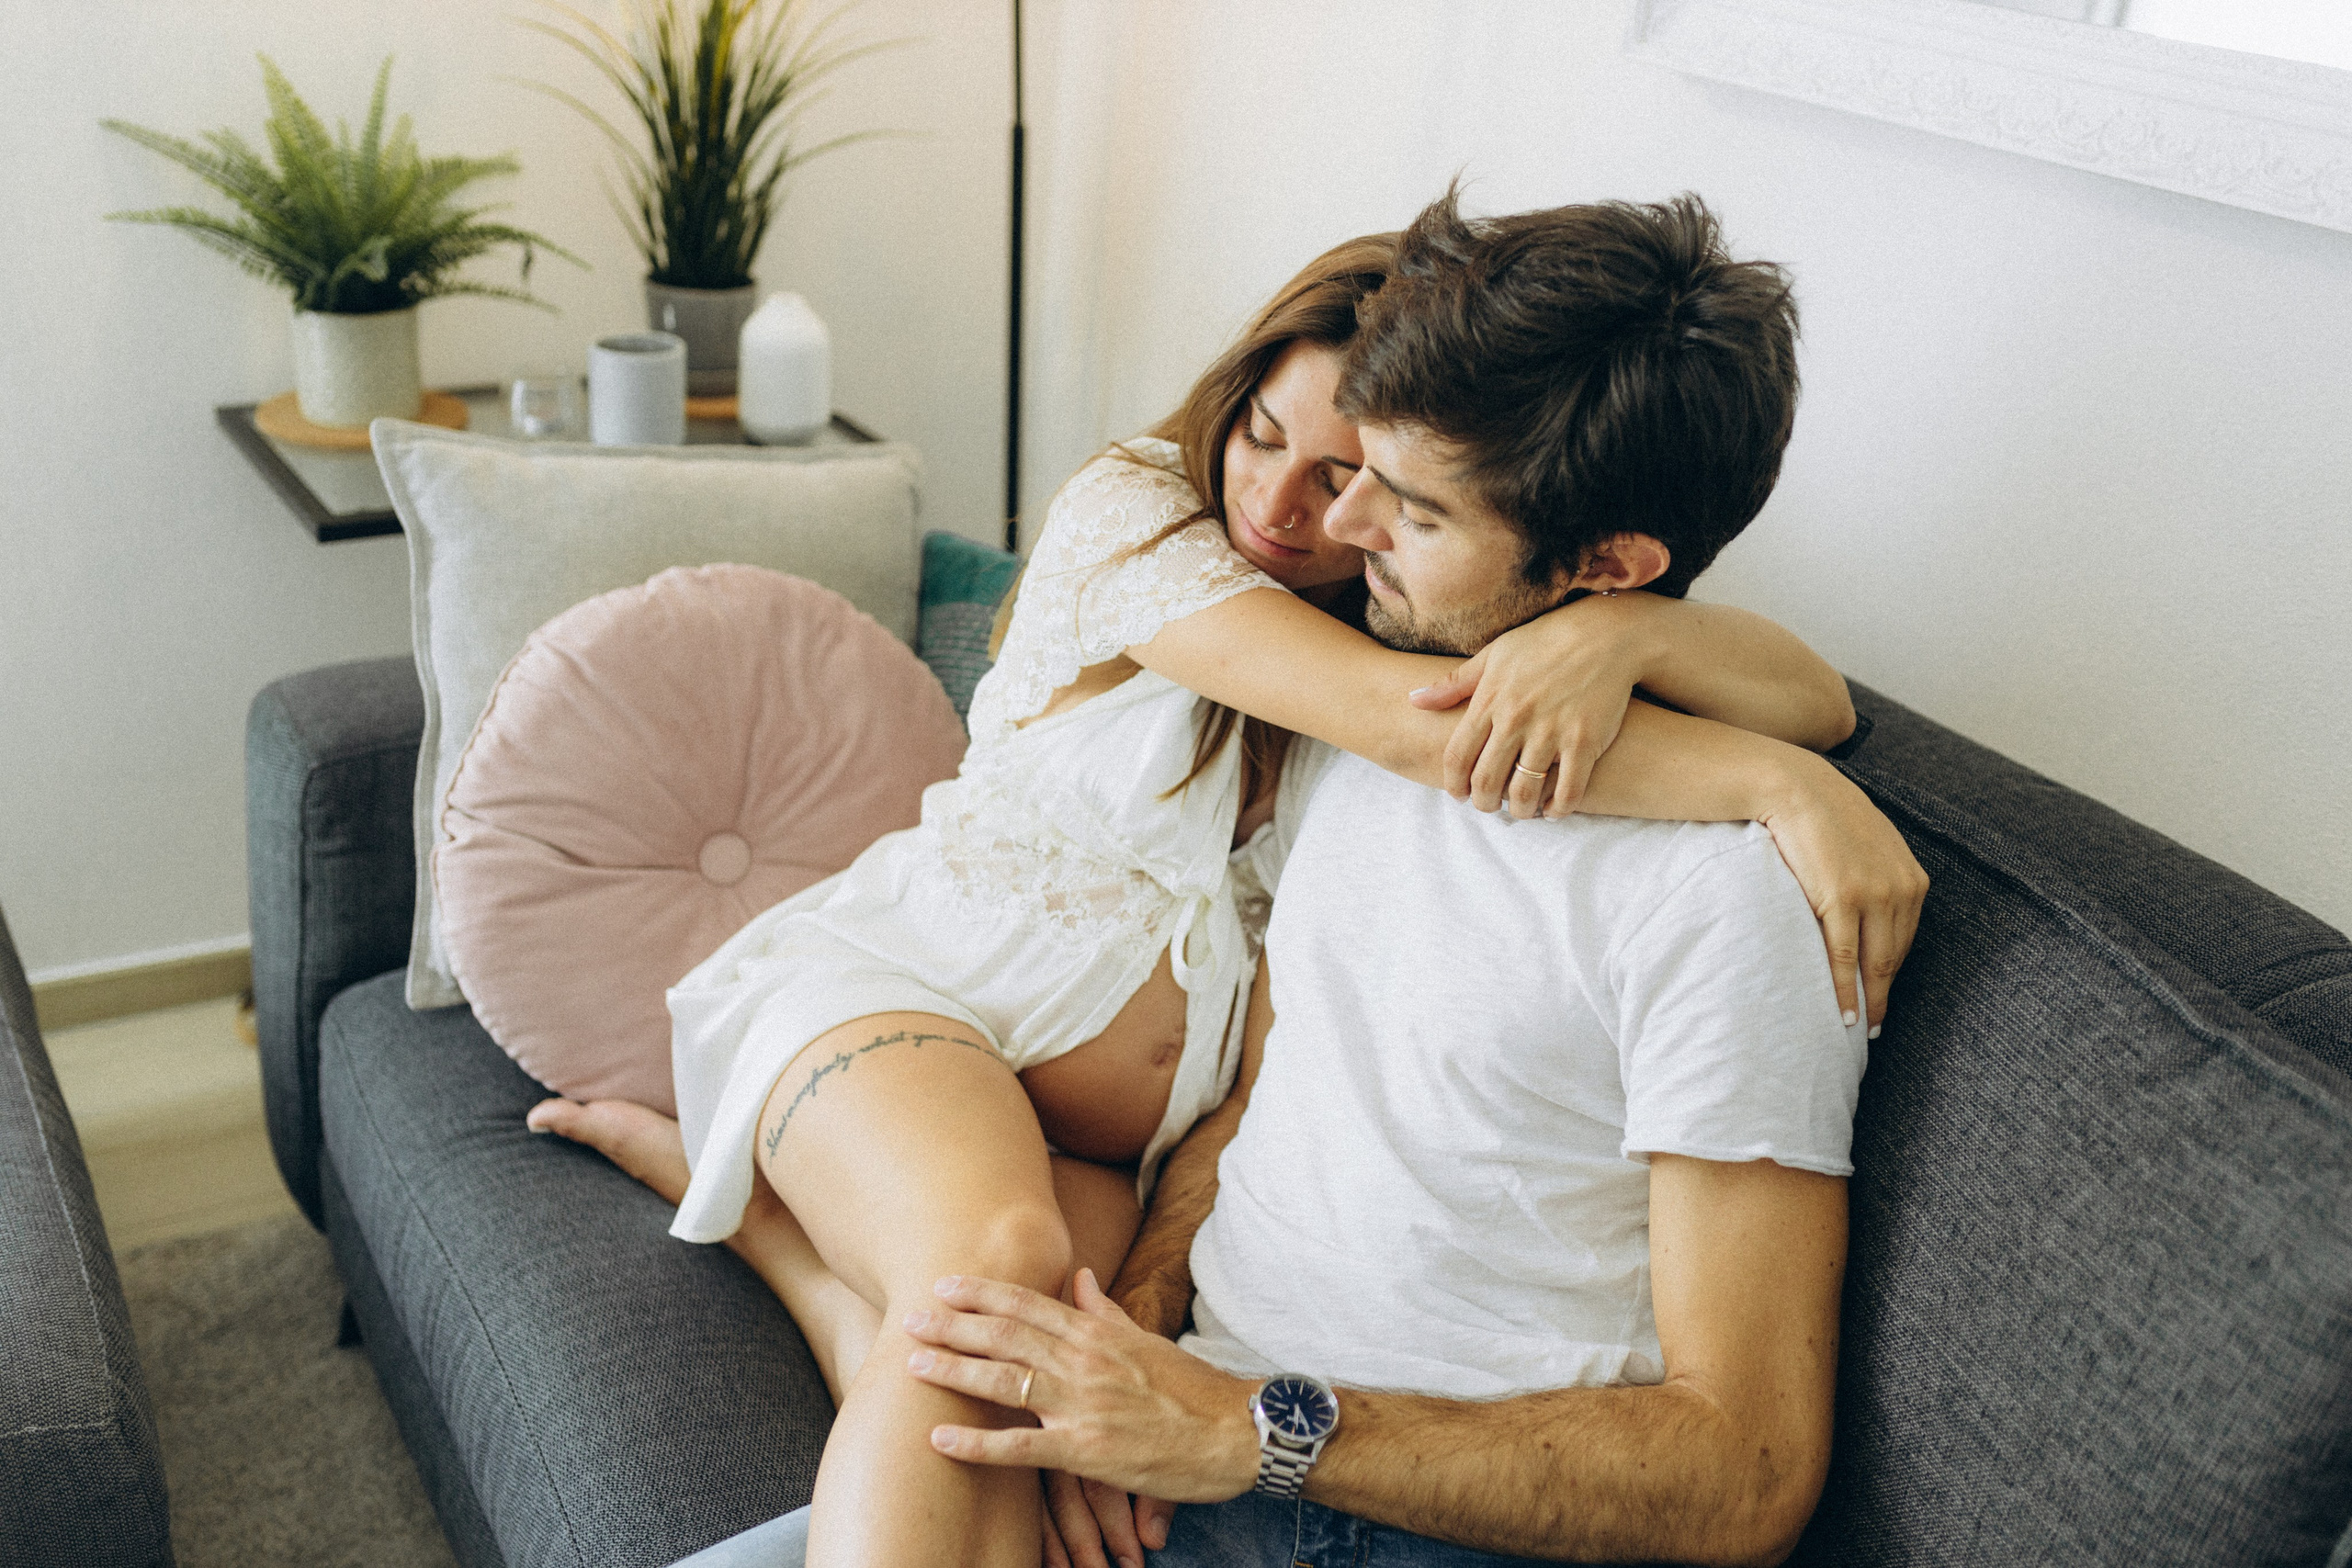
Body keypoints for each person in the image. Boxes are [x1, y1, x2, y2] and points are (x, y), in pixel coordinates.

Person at [536, 208, 1924, 1568]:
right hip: (913, 1020)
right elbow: (1383, 851)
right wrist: (1782, 776)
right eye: (1286, 443)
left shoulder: (1717, 896)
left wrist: (1201, 1416)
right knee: (984, 1288)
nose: (1332, 513)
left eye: (1403, 499)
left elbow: (1748, 1474)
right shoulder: (1285, 637)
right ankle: (799, 1229)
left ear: (1609, 570)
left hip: (1286, 1444)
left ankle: (806, 1270)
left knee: (970, 1333)